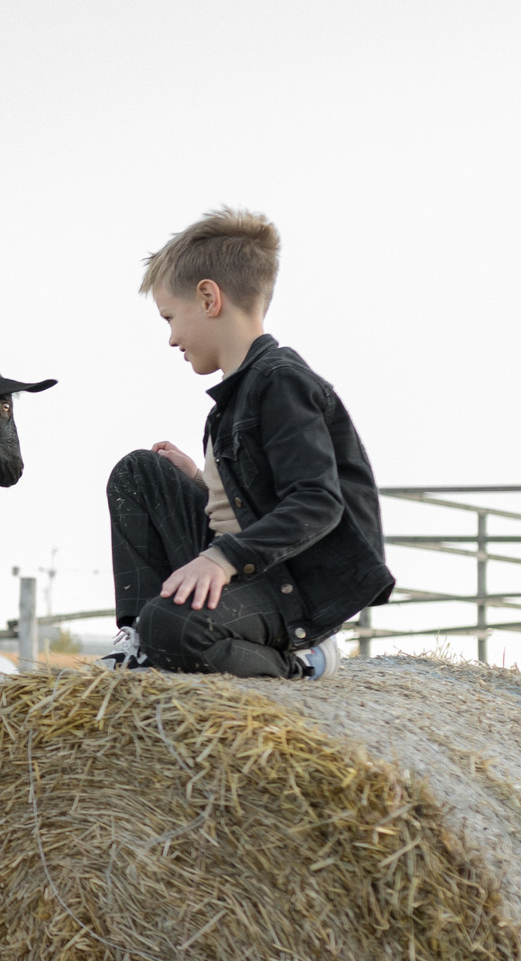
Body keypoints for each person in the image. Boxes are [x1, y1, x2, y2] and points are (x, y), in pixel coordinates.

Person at [98, 209, 393, 678]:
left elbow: (317, 503)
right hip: (244, 567)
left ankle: (301, 660)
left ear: (209, 297)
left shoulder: (282, 383)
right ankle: (137, 643)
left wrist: (220, 559)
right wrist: (201, 481)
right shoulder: (230, 401)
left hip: (288, 585)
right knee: (138, 473)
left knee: (173, 625)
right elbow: (252, 497)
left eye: (171, 317)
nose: (171, 338)